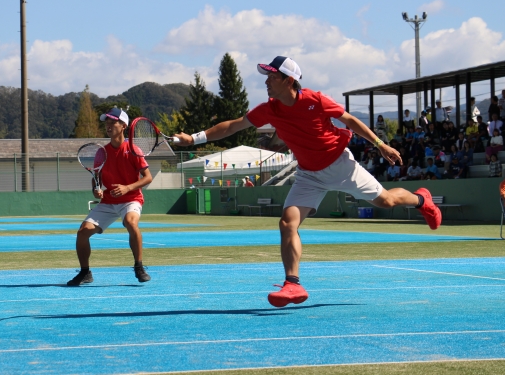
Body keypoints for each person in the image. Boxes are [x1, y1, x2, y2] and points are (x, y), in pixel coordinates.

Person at [174, 56, 442, 307]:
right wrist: (194, 138)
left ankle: (422, 200)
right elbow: (233, 125)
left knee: (387, 201)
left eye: (271, 76)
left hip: (340, 165)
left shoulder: (315, 100)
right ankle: (293, 285)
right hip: (308, 175)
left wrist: (380, 144)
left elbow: (348, 119)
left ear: (288, 80)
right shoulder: (269, 109)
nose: (266, 81)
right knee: (287, 222)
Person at [67, 107, 153, 286]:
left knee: (131, 222)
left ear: (123, 125)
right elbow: (96, 179)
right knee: (82, 232)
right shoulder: (102, 152)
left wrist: (127, 188)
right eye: (106, 122)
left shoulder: (133, 150)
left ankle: (139, 266)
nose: (108, 125)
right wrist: (96, 189)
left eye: (112, 121)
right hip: (108, 201)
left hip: (131, 199)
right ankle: (85, 273)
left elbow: (148, 178)